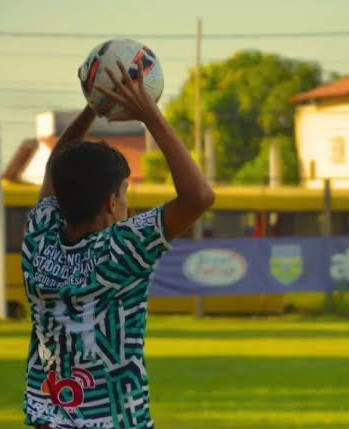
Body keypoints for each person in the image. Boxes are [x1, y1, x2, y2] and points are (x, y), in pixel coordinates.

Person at [22, 60, 214, 429]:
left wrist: (92, 108)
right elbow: (199, 197)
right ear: (111, 202)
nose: (129, 205)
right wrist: (150, 114)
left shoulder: (38, 241)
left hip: (48, 418)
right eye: (125, 194)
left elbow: (53, 170)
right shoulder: (121, 249)